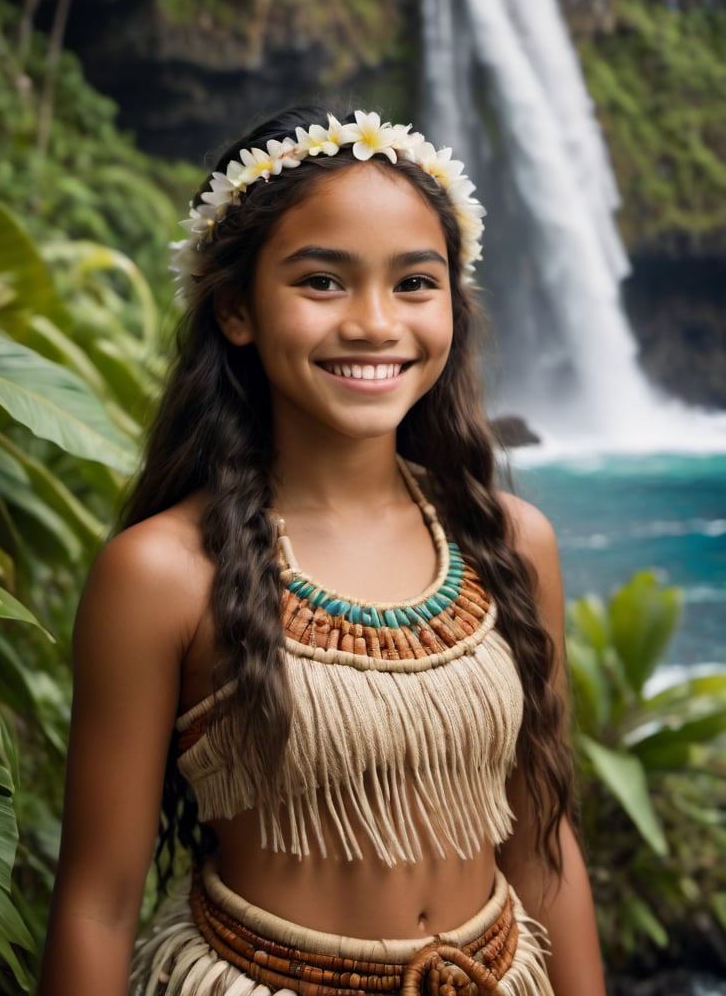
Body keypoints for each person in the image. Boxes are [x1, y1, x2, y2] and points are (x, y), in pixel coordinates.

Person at [39, 105, 607, 996]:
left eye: (415, 283)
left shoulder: (510, 543)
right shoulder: (163, 576)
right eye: (323, 283)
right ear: (236, 309)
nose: (376, 324)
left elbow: (543, 847)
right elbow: (97, 907)